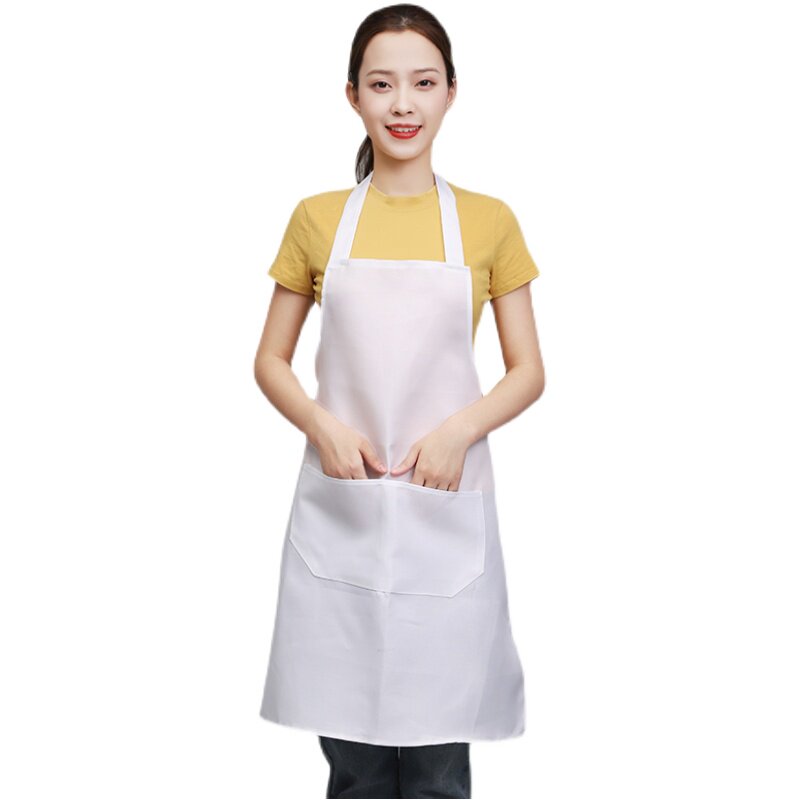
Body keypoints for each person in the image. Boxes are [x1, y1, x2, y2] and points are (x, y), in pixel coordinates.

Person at [254, 4, 545, 798]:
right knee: (354, 768)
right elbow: (270, 360)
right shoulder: (317, 219)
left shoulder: (489, 221)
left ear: (451, 91)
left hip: (442, 507)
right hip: (342, 508)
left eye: (423, 82)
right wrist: (320, 425)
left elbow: (527, 370)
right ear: (353, 95)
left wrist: (460, 430)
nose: (403, 103)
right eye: (382, 85)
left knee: (438, 770)